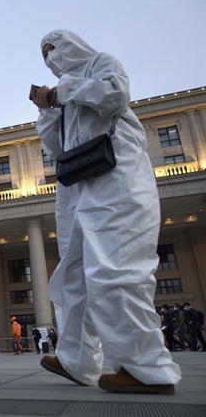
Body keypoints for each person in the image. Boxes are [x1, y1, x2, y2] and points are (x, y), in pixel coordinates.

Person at [33, 30, 180, 394]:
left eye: (54, 49)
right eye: (44, 55)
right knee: (74, 276)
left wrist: (65, 90)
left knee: (115, 268)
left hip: (116, 177)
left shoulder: (101, 64)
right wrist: (49, 110)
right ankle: (77, 359)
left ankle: (146, 367)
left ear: (72, 44)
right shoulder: (63, 93)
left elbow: (115, 94)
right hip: (78, 186)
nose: (51, 59)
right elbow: (56, 145)